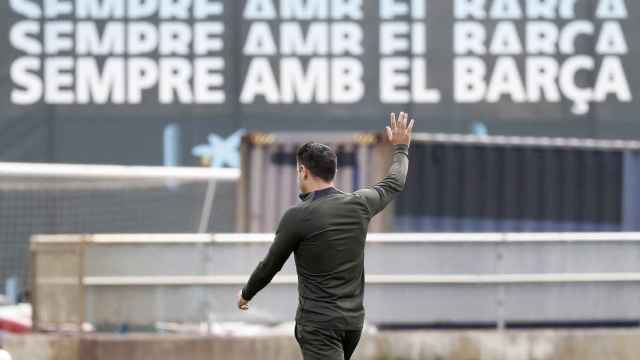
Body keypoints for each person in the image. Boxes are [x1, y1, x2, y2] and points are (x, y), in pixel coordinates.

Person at [237, 112, 414, 360]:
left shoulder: (297, 216)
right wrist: (401, 147)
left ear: (303, 171)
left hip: (319, 326)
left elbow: (270, 265)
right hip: (352, 324)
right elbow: (395, 181)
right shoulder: (360, 204)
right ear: (334, 171)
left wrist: (246, 293)